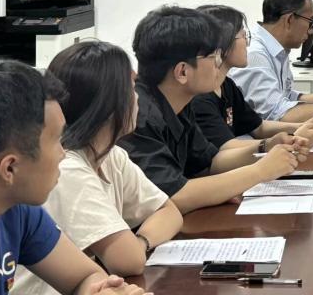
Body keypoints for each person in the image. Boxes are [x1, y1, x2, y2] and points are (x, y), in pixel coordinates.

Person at [0, 60, 148, 295]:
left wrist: (101, 291)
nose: (63, 153)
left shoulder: (11, 206)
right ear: (10, 168)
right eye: (57, 140)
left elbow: (84, 277)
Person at [12, 42, 184, 295]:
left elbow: (170, 212)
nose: (137, 97)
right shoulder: (68, 169)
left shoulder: (111, 155)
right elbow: (127, 260)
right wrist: (135, 248)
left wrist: (140, 242)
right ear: (108, 104)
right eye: (131, 87)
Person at [119, 6, 301, 214]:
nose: (218, 64)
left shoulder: (179, 102)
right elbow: (173, 196)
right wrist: (260, 171)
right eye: (213, 57)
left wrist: (266, 147)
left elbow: (210, 162)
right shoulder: (137, 115)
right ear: (182, 72)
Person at [192, 4, 313, 150]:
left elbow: (258, 127)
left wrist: (303, 126)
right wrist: (284, 141)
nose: (248, 43)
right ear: (223, 43)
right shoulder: (200, 97)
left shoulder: (226, 85)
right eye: (243, 36)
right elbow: (226, 146)